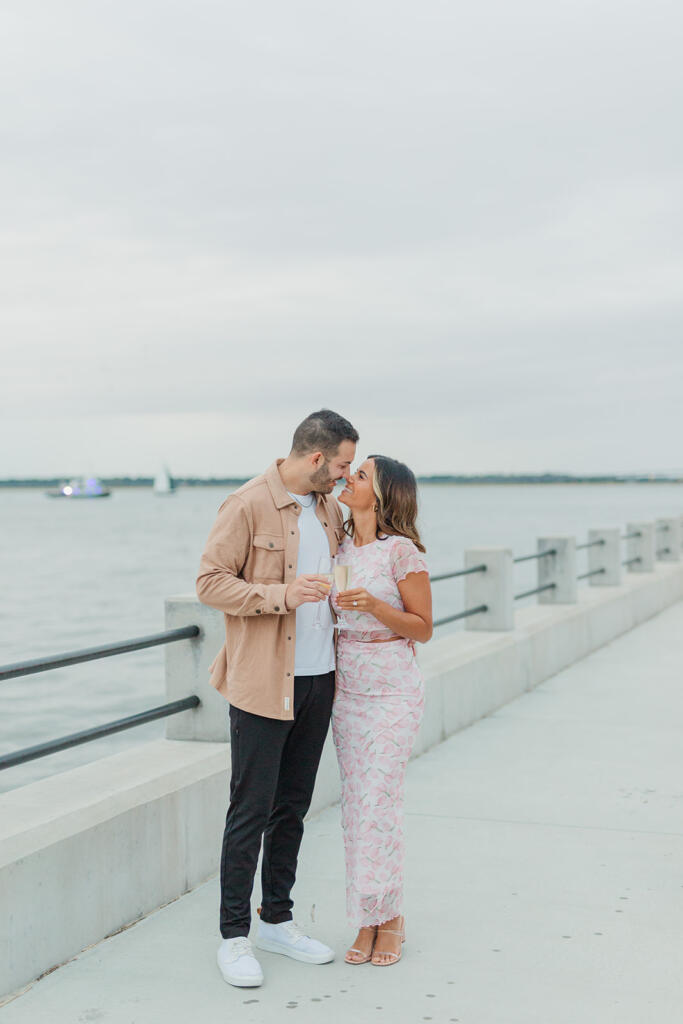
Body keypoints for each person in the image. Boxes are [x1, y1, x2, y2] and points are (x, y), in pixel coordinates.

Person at [196, 409, 358, 988]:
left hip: (320, 678)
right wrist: (282, 594)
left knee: (292, 808)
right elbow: (210, 582)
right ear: (316, 458)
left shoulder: (331, 509)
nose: (345, 476)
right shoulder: (245, 505)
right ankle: (233, 936)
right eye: (341, 465)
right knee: (250, 811)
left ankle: (277, 920)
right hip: (263, 682)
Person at [331, 455, 432, 967]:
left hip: (392, 689)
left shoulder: (401, 553)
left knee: (379, 801)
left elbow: (422, 627)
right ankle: (365, 917)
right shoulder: (338, 547)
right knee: (355, 806)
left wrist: (373, 606)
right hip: (346, 691)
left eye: (362, 474)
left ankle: (390, 916)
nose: (349, 477)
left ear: (385, 494)